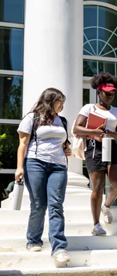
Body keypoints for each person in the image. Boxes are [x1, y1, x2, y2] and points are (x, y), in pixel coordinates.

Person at [15, 88, 71, 265]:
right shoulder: (32, 118)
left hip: (59, 166)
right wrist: (19, 167)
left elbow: (64, 143)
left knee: (56, 205)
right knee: (39, 204)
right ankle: (33, 240)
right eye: (59, 100)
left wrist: (67, 149)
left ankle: (59, 247)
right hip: (35, 163)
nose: (62, 104)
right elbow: (23, 144)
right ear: (50, 100)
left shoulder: (62, 121)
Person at [73, 72, 117, 236]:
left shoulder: (116, 111)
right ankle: (96, 224)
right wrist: (94, 130)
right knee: (98, 186)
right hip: (94, 146)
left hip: (112, 145)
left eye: (112, 93)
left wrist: (111, 132)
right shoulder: (89, 108)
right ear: (99, 92)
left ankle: (106, 206)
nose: (110, 96)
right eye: (107, 93)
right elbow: (76, 129)